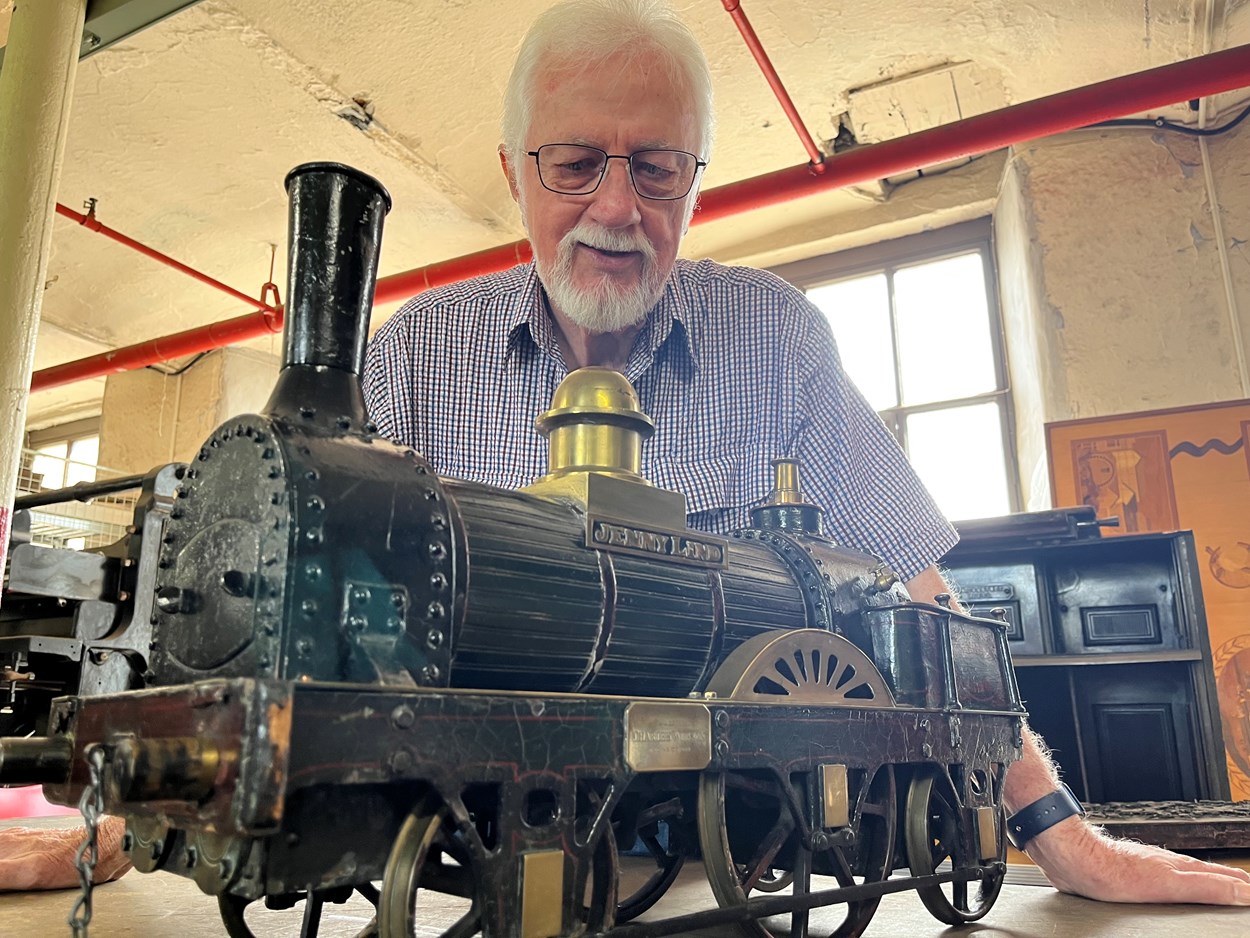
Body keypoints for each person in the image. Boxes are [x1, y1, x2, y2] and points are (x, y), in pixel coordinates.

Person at [5, 0, 1248, 909]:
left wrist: (1058, 827)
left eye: (655, 168)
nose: (614, 207)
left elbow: (918, 591)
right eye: (575, 163)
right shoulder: (413, 352)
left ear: (696, 179)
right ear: (512, 172)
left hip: (745, 868)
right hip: (462, 871)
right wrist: (136, 819)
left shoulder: (776, 334)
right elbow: (292, 596)